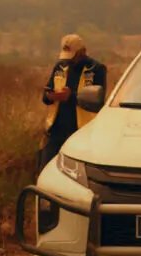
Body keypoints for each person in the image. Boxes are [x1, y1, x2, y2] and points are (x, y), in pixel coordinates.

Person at [37, 34, 107, 172]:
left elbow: (98, 101)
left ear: (82, 52)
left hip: (82, 131)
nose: (69, 61)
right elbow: (46, 96)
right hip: (56, 129)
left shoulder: (97, 69)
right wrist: (50, 96)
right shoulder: (60, 66)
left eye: (73, 56)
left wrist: (71, 97)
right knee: (44, 170)